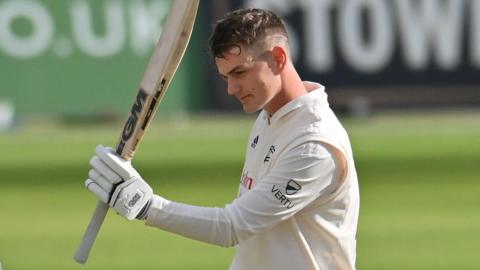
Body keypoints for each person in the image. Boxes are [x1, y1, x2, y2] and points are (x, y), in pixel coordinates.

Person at [85, 8, 360, 270]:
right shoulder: (270, 118)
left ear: (278, 58)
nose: (231, 88)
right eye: (226, 76)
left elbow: (232, 226)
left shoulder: (314, 146)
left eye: (240, 72)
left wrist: (146, 206)